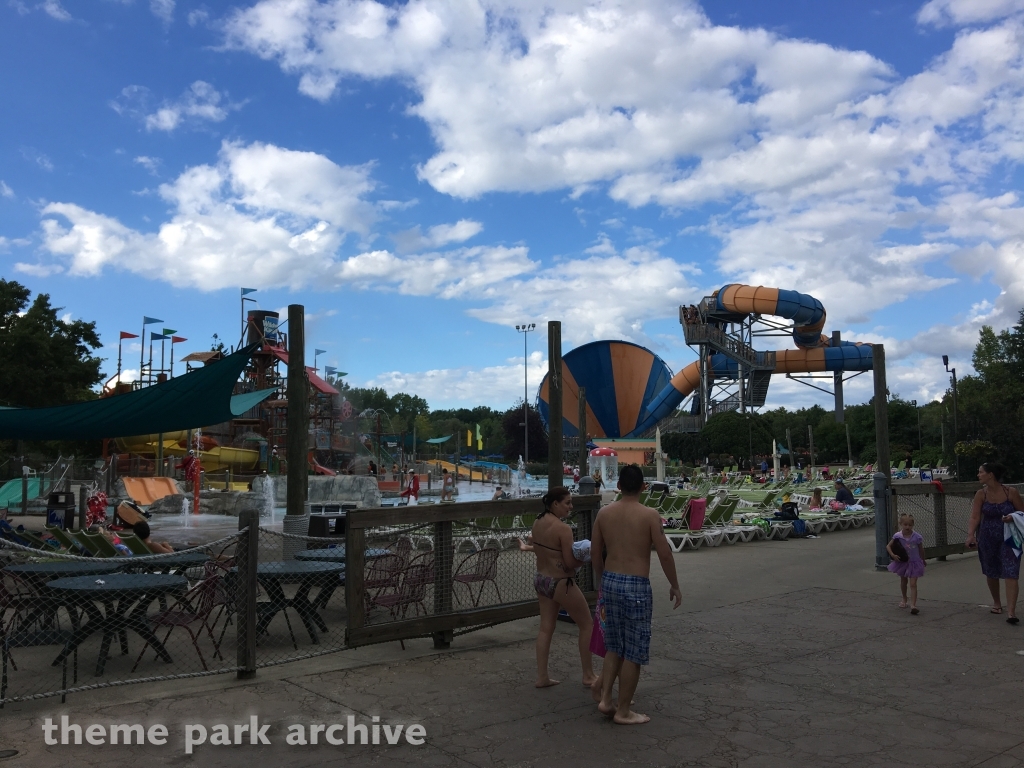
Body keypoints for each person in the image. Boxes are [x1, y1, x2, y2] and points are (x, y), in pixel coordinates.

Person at [592, 464, 682, 724]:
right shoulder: (650, 515)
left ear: (618, 486)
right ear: (644, 487)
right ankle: (623, 711)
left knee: (613, 645)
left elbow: (596, 553)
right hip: (636, 586)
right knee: (633, 649)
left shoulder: (603, 514)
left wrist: (602, 581)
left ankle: (606, 699)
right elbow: (664, 553)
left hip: (610, 581)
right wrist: (674, 584)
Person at [522, 487, 596, 689]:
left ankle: (542, 676)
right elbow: (570, 562)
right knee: (587, 625)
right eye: (567, 503)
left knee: (546, 628)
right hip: (561, 581)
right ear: (555, 504)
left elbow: (538, 549)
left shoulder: (537, 522)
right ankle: (588, 675)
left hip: (541, 579)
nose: (571, 507)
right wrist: (586, 558)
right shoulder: (563, 529)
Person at [966, 462, 1024, 623]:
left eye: (980, 472)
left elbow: (1022, 512)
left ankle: (1011, 612)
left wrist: (1013, 516)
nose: (978, 475)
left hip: (1011, 537)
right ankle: (997, 603)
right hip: (988, 537)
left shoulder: (1010, 492)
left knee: (1011, 571)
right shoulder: (981, 494)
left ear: (990, 474)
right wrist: (970, 535)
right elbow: (975, 516)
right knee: (991, 569)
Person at [887, 513, 925, 614]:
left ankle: (913, 605)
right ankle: (904, 598)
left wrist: (923, 560)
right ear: (901, 524)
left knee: (913, 584)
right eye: (905, 525)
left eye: (909, 525)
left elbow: (921, 549)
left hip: (915, 562)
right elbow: (888, 546)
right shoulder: (898, 536)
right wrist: (893, 555)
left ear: (912, 525)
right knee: (904, 581)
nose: (907, 527)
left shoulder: (917, 537)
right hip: (903, 562)